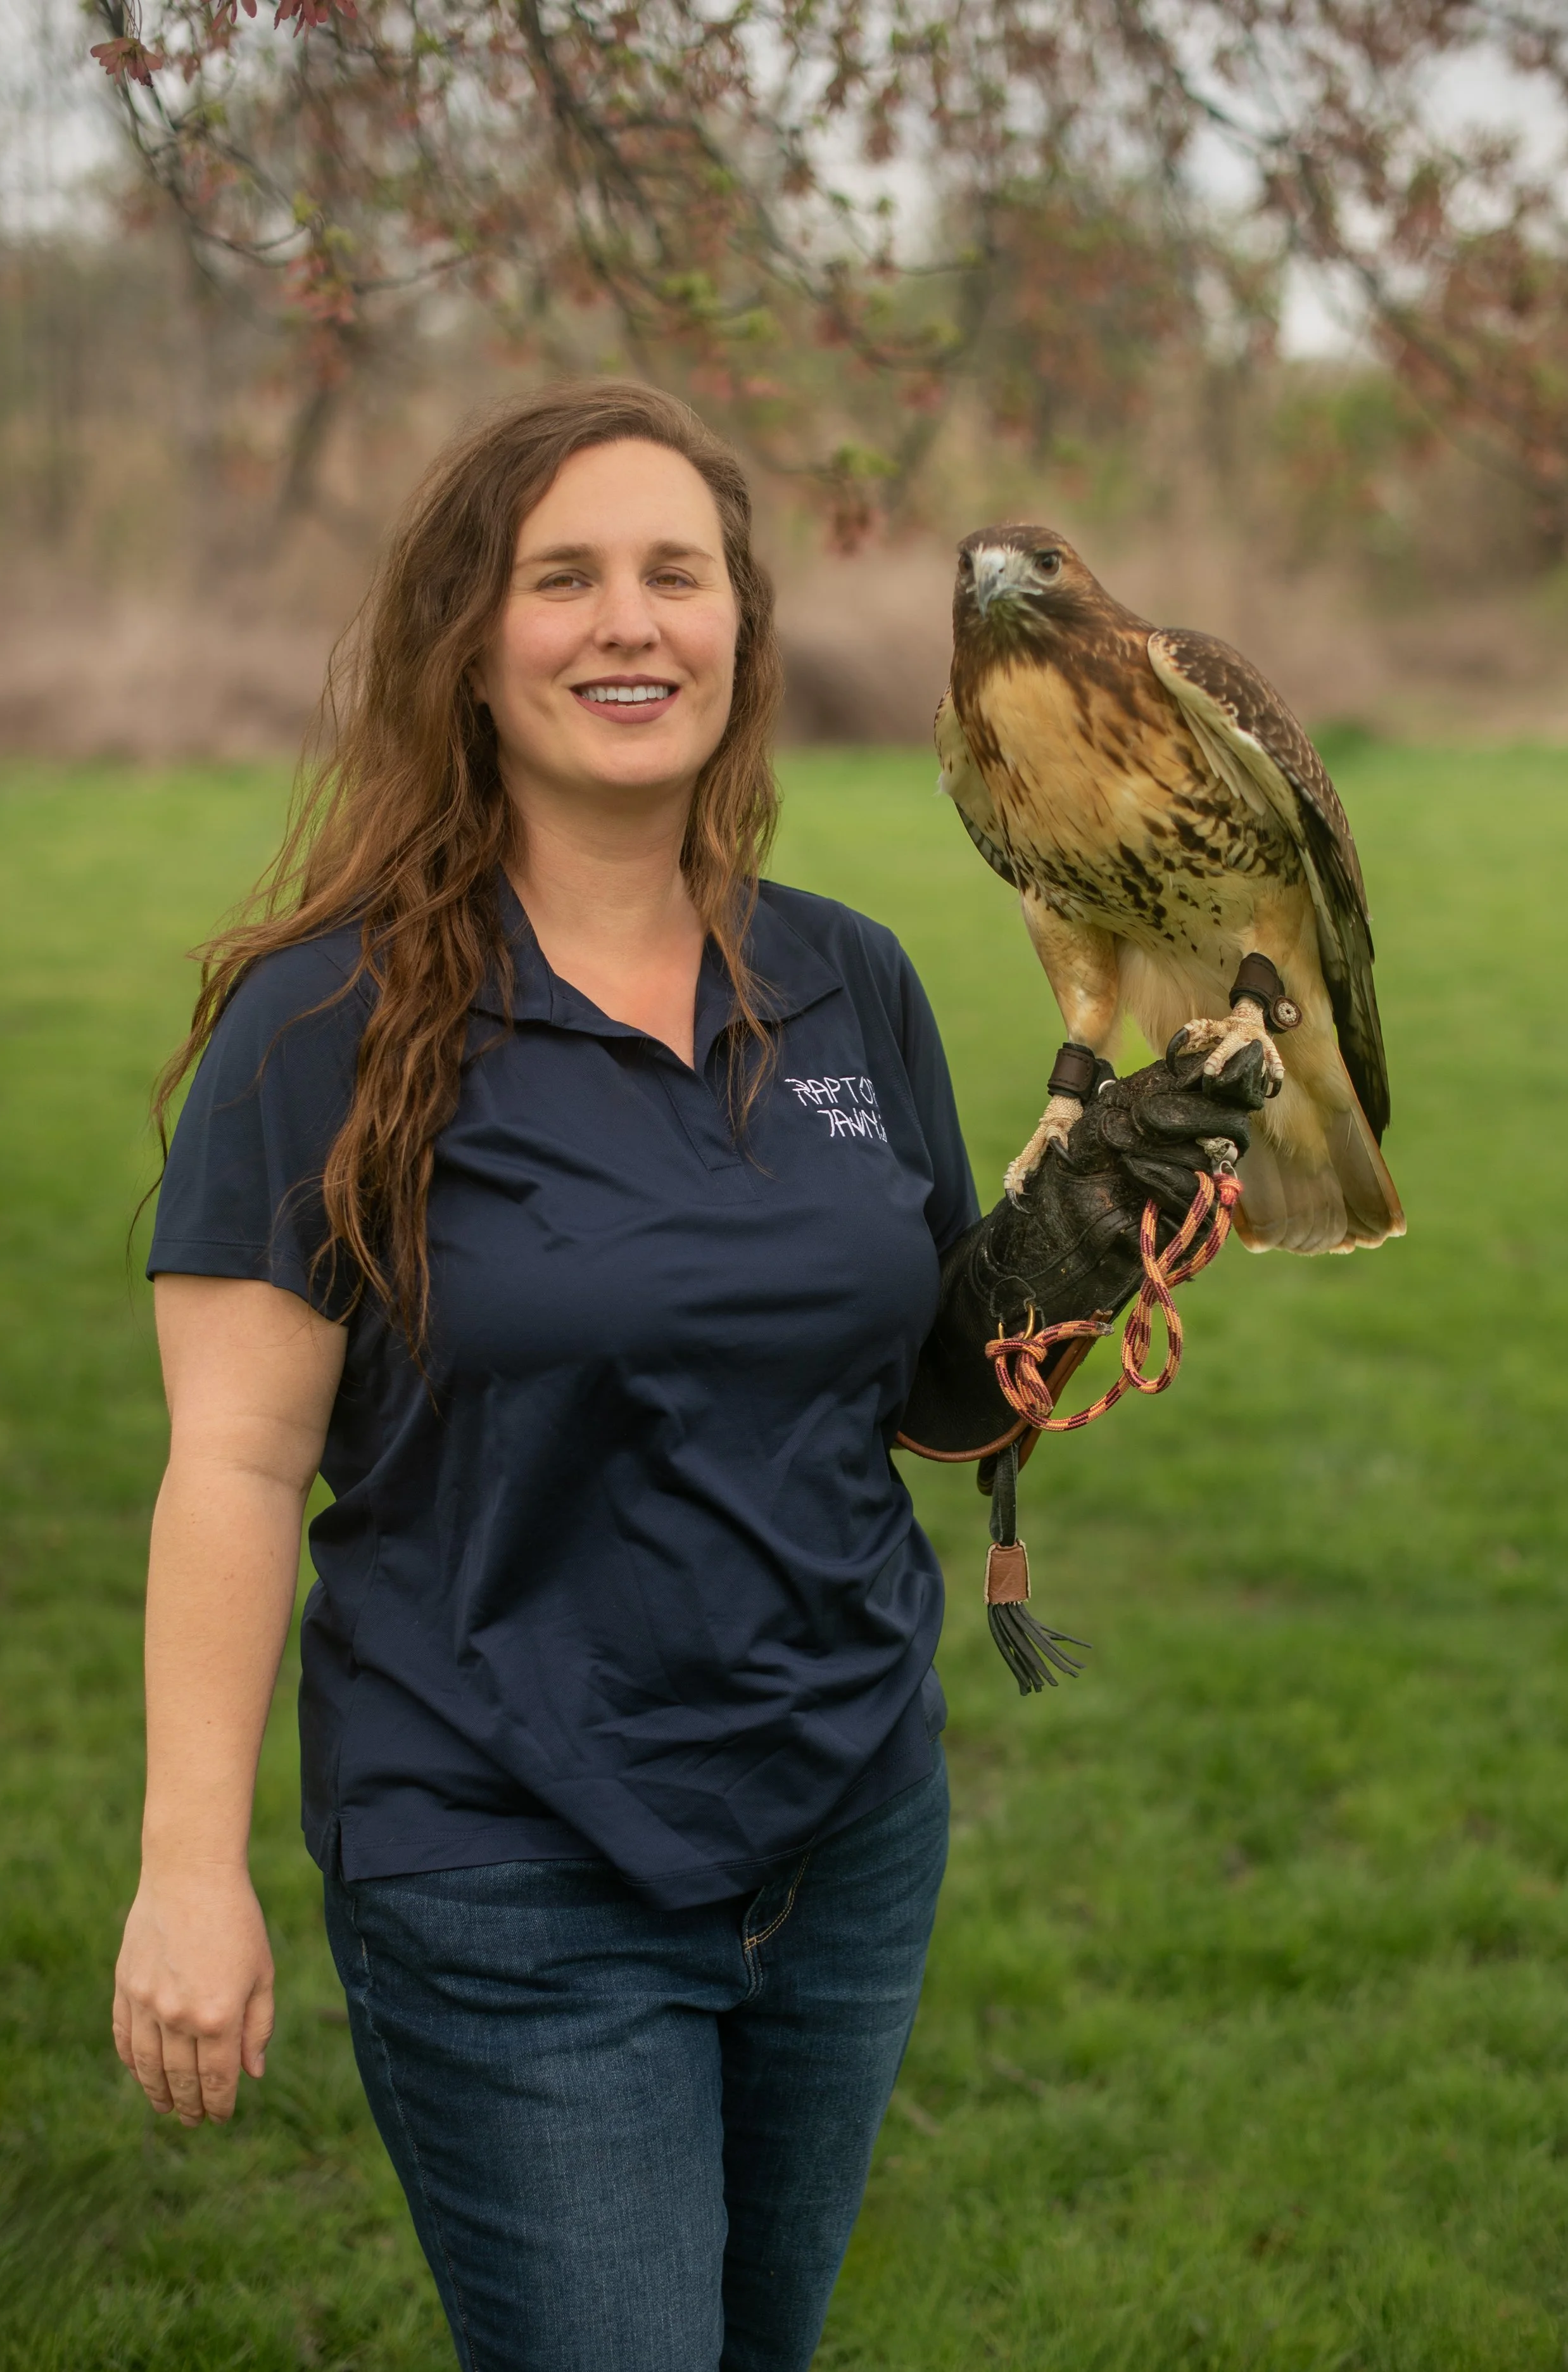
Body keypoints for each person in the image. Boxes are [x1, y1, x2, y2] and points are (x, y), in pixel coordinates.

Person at [111, 381, 1260, 2372]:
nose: (628, 624)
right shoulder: (321, 1020)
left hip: (844, 1817)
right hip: (508, 1854)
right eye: (563, 579)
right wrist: (185, 1873)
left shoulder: (844, 975)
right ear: (469, 645)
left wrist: (1082, 1246)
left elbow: (927, 1395)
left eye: (677, 575)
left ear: (742, 628)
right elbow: (228, 1465)